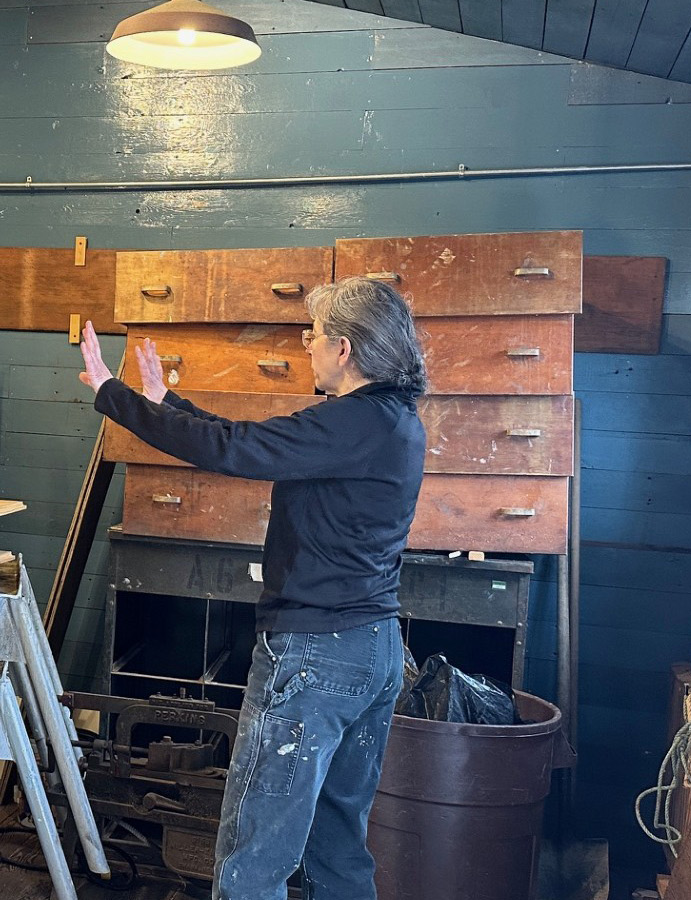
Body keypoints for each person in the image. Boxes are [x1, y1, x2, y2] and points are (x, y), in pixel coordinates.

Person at [76, 276, 428, 899]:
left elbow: (238, 450)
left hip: (317, 655)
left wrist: (116, 395)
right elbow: (256, 446)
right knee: (336, 846)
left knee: (254, 856)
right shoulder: (387, 421)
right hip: (371, 650)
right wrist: (169, 405)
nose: (307, 345)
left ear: (344, 349)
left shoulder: (352, 421)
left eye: (314, 335)